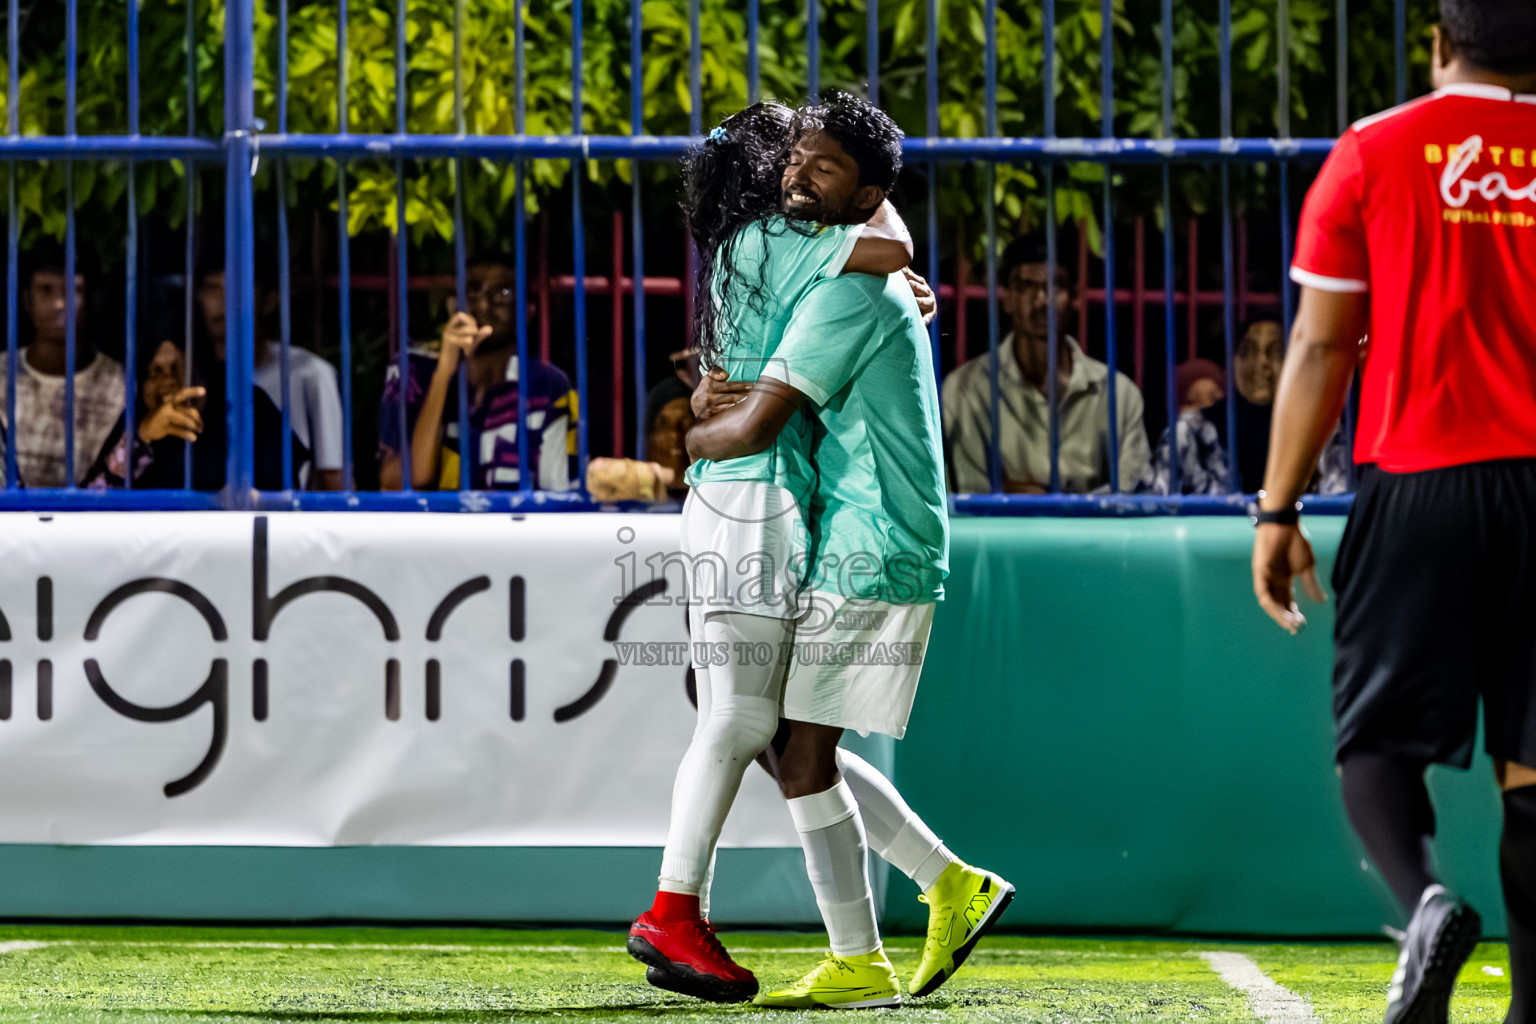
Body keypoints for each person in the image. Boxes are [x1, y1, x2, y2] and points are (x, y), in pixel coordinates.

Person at [675, 94, 1013, 1010]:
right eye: (795, 157)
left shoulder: (846, 287)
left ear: (867, 194)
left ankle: (888, 933)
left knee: (794, 749)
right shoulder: (837, 272)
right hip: (853, 531)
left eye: (821, 165)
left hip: (874, 539)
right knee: (774, 732)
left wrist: (695, 430)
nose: (795, 171)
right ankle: (940, 890)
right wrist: (716, 396)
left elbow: (754, 424)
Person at [1251, 3, 1536, 1022]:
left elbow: (1323, 348)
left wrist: (1276, 508)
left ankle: (1425, 902)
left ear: (1438, 44)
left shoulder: (1375, 150)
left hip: (1421, 476)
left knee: (1374, 743)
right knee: (1534, 765)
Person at [942, 233, 1151, 494]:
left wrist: (1033, 499)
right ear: (1007, 299)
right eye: (1025, 286)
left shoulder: (1119, 394)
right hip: (1004, 536)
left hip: (1093, 536)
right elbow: (968, 501)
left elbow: (1132, 497)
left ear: (1075, 297)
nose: (1041, 300)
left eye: (1054, 286)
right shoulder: (965, 390)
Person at [379, 261, 576, 492]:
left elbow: (558, 492)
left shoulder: (547, 384)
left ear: (528, 311)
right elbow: (399, 483)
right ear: (452, 305)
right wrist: (444, 371)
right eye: (472, 292)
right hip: (437, 525)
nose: (483, 304)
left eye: (503, 293)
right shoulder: (414, 370)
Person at [195, 269, 345, 490]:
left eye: (237, 288)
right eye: (212, 288)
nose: (224, 301)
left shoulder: (310, 373)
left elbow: (332, 477)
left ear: (269, 301)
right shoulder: (187, 375)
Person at [0, 247, 126, 487]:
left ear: (90, 300)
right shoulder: (2, 372)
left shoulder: (119, 382)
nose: (59, 303)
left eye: (73, 290)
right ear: (26, 300)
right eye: (46, 290)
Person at [81, 339, 205, 488]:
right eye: (155, 372)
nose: (167, 381)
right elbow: (94, 498)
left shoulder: (227, 426)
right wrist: (142, 437)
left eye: (177, 369)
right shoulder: (128, 425)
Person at [1150, 358, 1232, 495]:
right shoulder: (1180, 430)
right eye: (1212, 397)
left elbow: (1222, 475)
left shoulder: (1208, 429)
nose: (1220, 396)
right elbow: (1167, 482)